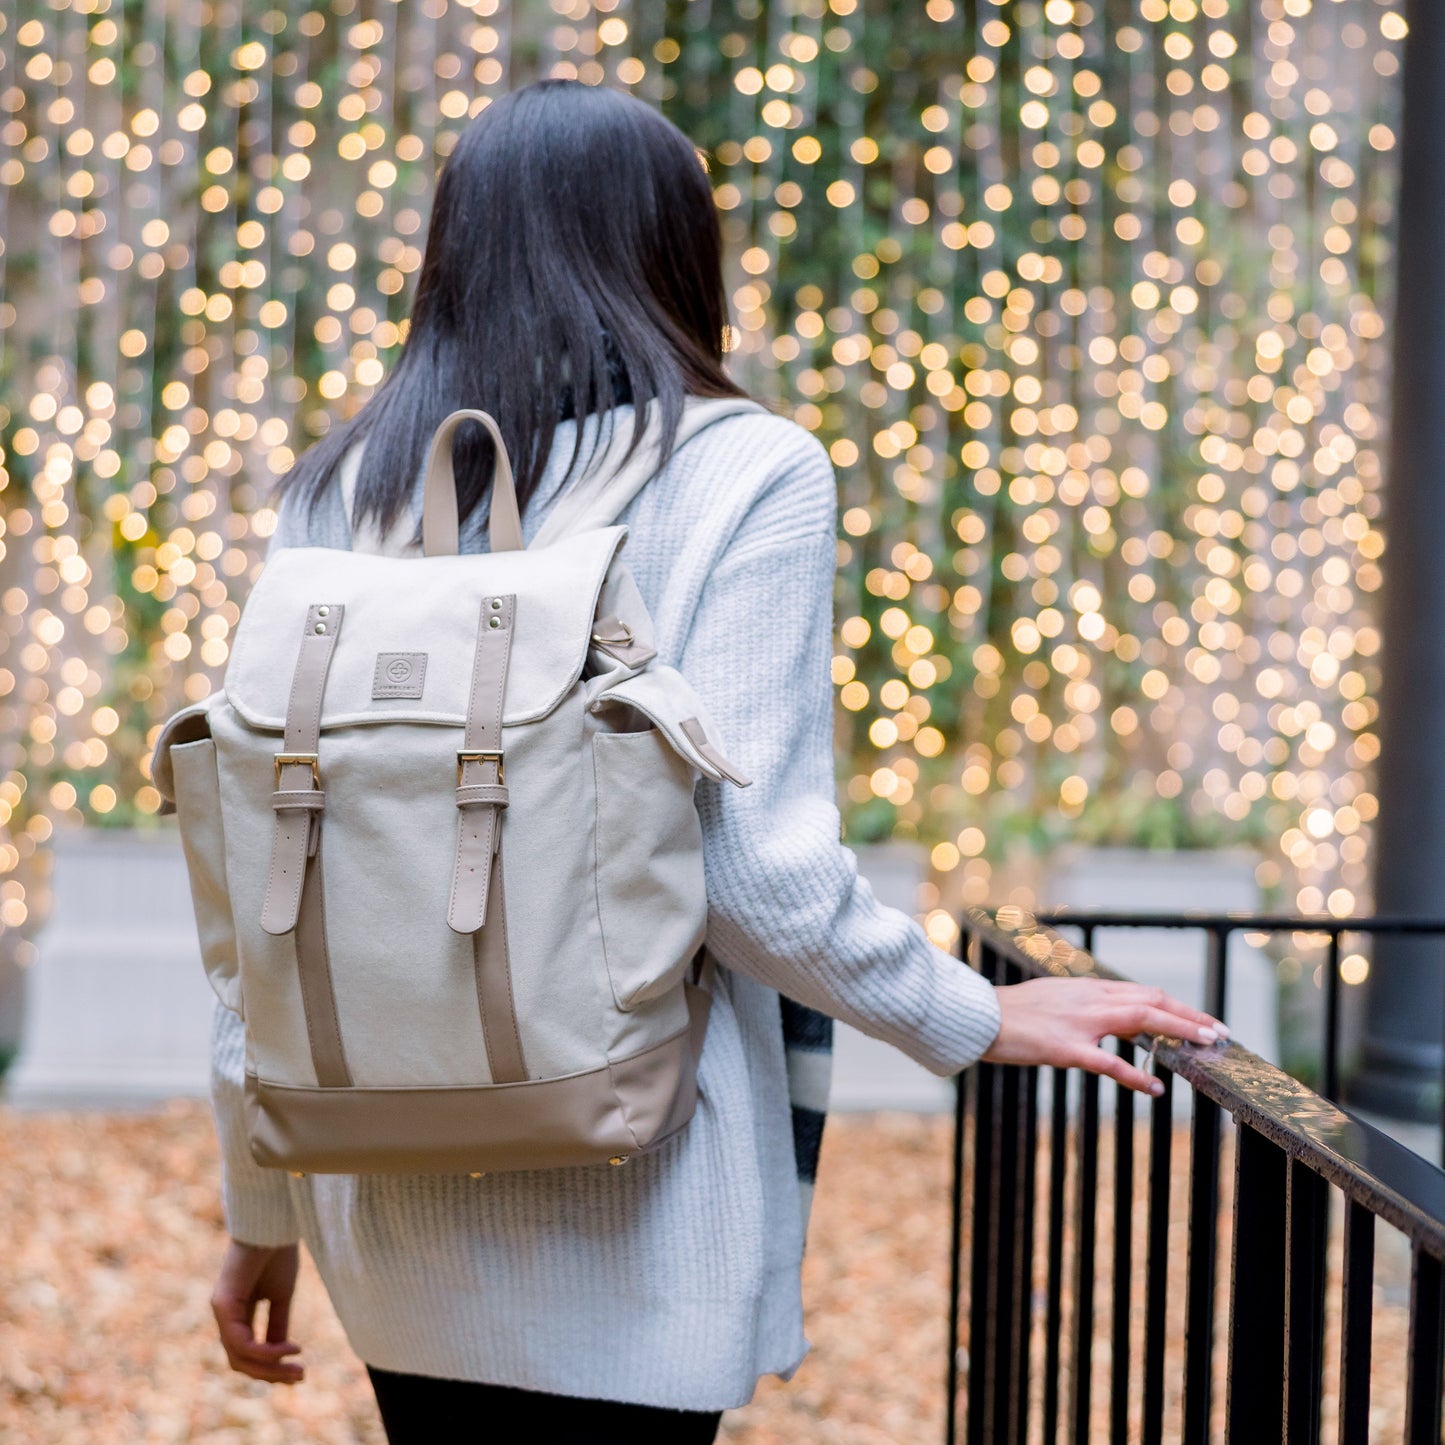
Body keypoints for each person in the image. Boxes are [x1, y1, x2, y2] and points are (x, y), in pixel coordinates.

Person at [205, 79, 1226, 1444]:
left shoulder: (349, 486)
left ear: (453, 253)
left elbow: (267, 877)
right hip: (629, 1187)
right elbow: (745, 873)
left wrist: (260, 1203)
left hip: (384, 1186)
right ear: (677, 252)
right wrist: (975, 1017)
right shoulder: (740, 470)